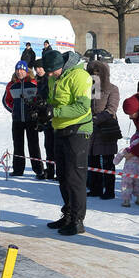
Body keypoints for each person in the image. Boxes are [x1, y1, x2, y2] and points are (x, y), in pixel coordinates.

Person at [41, 49, 92, 236]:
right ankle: (68, 214)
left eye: (52, 71)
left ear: (62, 66)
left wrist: (54, 112)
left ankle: (78, 220)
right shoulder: (54, 76)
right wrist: (43, 109)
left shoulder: (80, 76)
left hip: (78, 130)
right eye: (47, 71)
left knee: (75, 177)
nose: (49, 75)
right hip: (60, 129)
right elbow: (54, 100)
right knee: (62, 175)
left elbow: (82, 106)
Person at [2, 62, 45, 178]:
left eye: (22, 70)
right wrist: (14, 110)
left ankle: (38, 169)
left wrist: (35, 111)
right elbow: (6, 101)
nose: (19, 72)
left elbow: (39, 99)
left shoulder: (33, 83)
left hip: (31, 119)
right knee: (18, 145)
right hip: (17, 120)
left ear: (27, 71)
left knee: (34, 145)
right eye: (17, 70)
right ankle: (18, 169)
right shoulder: (11, 85)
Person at [86, 59, 121, 198]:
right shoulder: (90, 88)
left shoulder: (112, 89)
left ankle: (110, 190)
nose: (95, 75)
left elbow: (111, 109)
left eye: (97, 72)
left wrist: (96, 119)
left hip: (107, 128)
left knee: (108, 161)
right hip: (92, 129)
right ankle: (96, 188)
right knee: (93, 160)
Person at [33, 61, 56, 179]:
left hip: (54, 115)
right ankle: (51, 170)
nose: (38, 70)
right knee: (48, 145)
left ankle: (60, 171)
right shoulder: (39, 81)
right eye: (36, 68)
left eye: (40, 67)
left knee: (56, 146)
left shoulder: (50, 79)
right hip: (44, 116)